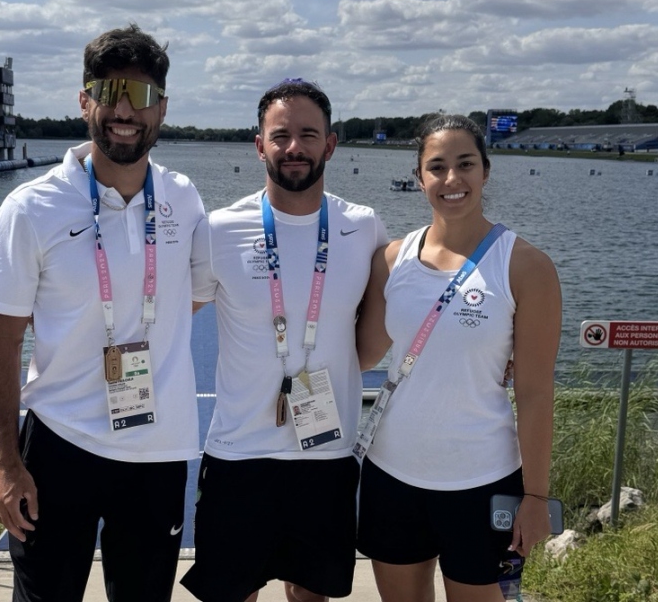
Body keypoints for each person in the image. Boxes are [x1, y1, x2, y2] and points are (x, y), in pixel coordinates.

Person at [0, 25, 205, 602]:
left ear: (163, 110)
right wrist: (6, 463)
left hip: (158, 453)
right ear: (85, 101)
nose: (126, 110)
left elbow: (197, 296)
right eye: (111, 92)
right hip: (59, 447)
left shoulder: (184, 198)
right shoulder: (31, 206)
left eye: (144, 96)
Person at [181, 79, 388, 602]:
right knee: (229, 593)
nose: (294, 147)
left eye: (308, 134)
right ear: (259, 145)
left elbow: (381, 332)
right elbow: (168, 320)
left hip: (327, 455)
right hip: (238, 453)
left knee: (311, 594)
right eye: (281, 136)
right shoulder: (219, 229)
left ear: (331, 144)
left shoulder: (362, 228)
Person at [354, 114, 562, 602]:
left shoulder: (526, 266)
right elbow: (361, 355)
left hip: (483, 479)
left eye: (465, 164)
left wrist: (535, 498)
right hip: (392, 473)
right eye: (437, 167)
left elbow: (534, 392)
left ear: (485, 171)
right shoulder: (391, 260)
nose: (452, 179)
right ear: (419, 177)